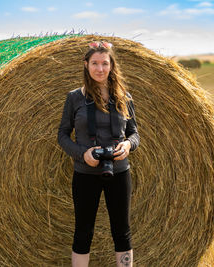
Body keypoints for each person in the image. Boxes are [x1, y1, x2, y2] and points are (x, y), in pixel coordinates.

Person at [57, 41, 140, 267]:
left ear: (112, 66)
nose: (100, 68)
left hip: (120, 172)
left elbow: (134, 134)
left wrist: (127, 146)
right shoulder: (75, 97)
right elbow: (62, 135)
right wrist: (82, 154)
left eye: (105, 63)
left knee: (122, 231)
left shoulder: (125, 97)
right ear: (86, 65)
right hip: (85, 173)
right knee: (83, 232)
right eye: (95, 63)